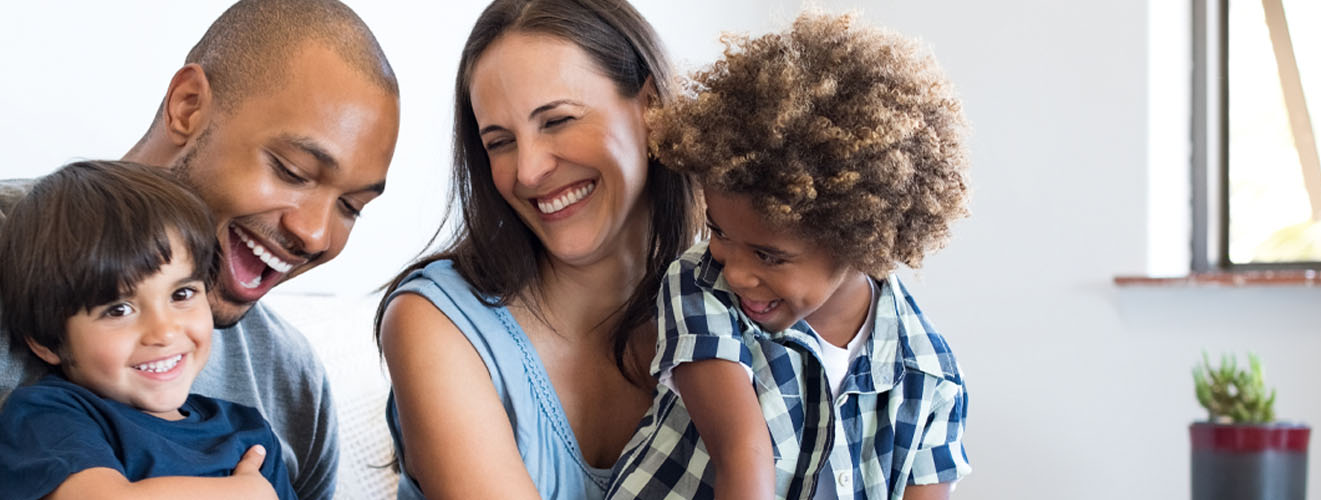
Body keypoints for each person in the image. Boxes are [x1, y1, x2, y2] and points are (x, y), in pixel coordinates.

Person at [0, 1, 400, 499]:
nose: (316, 235)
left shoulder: (290, 385)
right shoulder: (24, 267)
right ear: (188, 107)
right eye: (292, 171)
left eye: (351, 206)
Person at [606, 12, 972, 500]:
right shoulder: (699, 284)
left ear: (856, 241)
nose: (735, 271)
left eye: (768, 255)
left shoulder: (929, 373)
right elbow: (743, 455)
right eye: (718, 230)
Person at [375, 0, 700, 498]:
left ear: (650, 106)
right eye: (500, 142)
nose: (528, 171)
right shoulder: (435, 323)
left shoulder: (733, 301)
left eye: (557, 121)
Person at [0, 161, 297, 500]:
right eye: (119, 309)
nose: (164, 332)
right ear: (46, 341)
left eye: (182, 294)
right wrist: (240, 493)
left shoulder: (250, 434)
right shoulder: (50, 414)